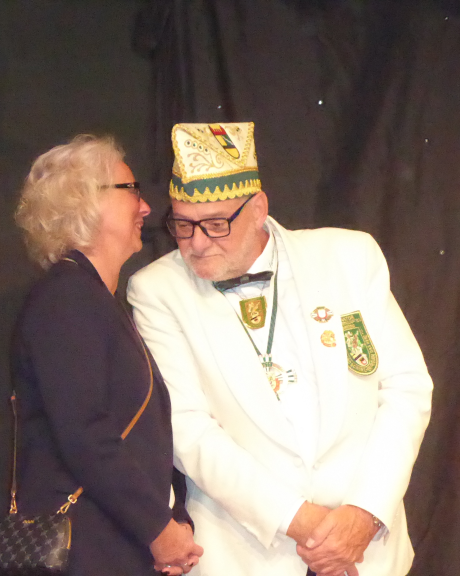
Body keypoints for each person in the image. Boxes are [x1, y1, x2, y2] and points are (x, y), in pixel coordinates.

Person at [128, 123, 433, 576]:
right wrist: (302, 522)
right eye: (183, 225)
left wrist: (365, 512)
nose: (197, 243)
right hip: (247, 556)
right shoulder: (157, 290)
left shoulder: (349, 256)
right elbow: (186, 428)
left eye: (216, 224)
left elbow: (406, 388)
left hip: (364, 551)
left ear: (258, 209)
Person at [10, 135, 203, 575]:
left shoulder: (93, 300)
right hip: (88, 554)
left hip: (112, 549)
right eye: (132, 190)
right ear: (86, 200)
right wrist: (158, 529)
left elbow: (140, 437)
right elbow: (84, 433)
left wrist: (174, 519)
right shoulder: (67, 299)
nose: (146, 208)